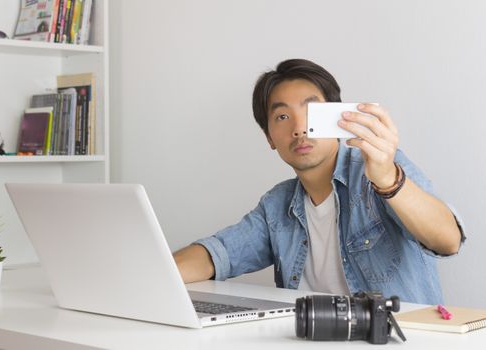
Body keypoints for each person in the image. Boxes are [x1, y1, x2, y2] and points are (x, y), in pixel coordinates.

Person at [173, 59, 465, 304]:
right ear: (269, 138)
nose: (299, 129)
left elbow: (448, 241)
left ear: (337, 117)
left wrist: (388, 180)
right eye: (283, 116)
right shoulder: (277, 206)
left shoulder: (380, 168)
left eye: (312, 113)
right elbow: (218, 254)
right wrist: (147, 274)